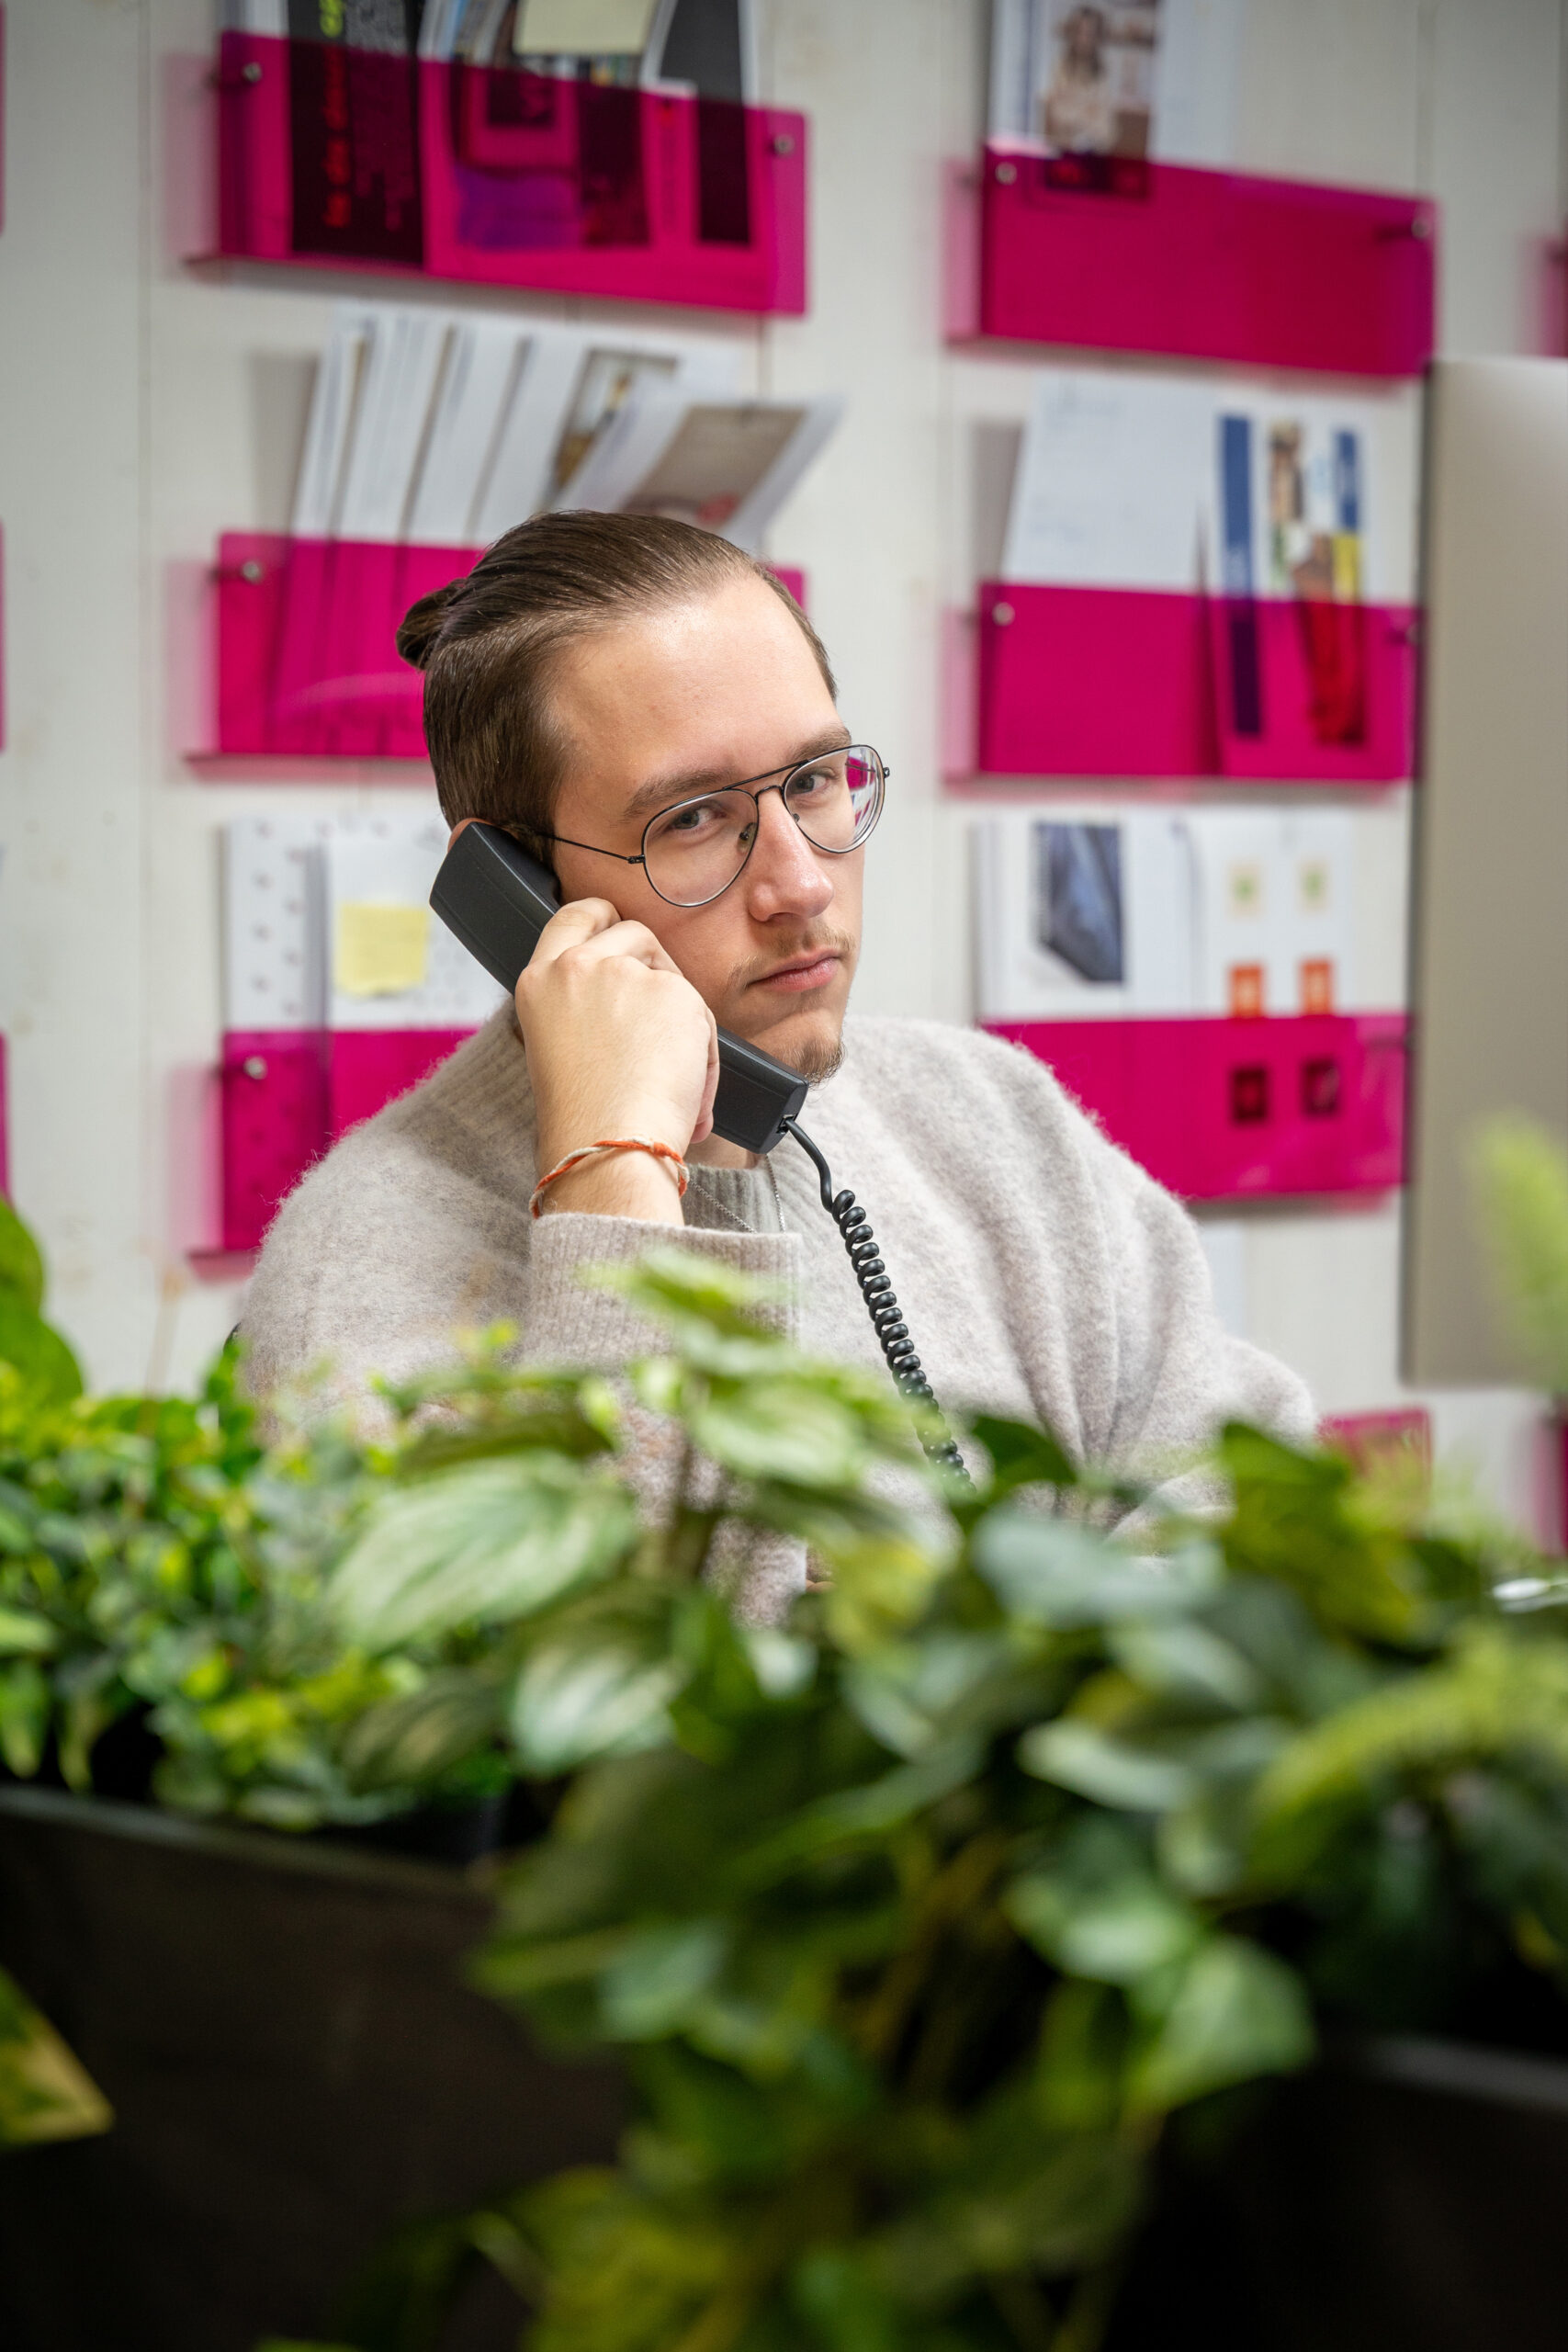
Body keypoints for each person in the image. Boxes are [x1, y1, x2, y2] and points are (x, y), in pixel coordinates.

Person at [242, 513, 1312, 1617]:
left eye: (812, 780)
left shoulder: (992, 1116)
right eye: (694, 818)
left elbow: (1257, 1517)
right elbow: (611, 1668)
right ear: (523, 889)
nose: (801, 884)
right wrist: (616, 1179)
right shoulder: (358, 1276)